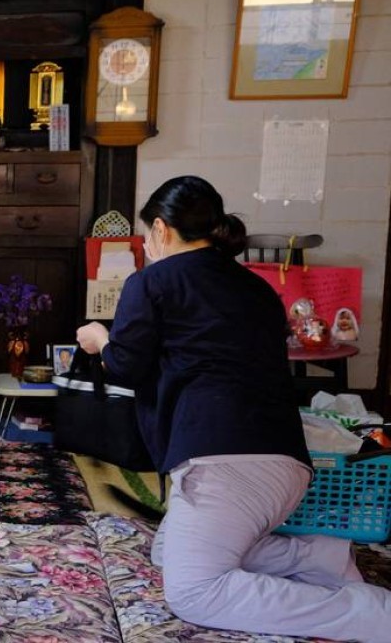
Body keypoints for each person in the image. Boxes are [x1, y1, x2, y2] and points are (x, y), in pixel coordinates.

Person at [75, 176, 391, 640]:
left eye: (147, 235)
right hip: (285, 461)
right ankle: (319, 557)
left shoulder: (152, 281)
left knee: (195, 591)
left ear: (161, 230)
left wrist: (99, 339)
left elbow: (124, 366)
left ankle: (373, 615)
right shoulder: (256, 288)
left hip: (226, 466)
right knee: (168, 552)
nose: (147, 244)